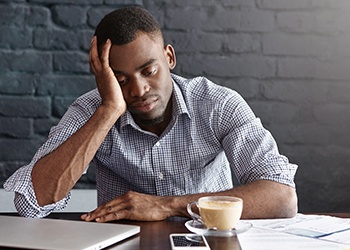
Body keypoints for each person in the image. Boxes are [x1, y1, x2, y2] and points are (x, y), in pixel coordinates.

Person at [4, 6, 298, 222]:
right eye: (121, 79)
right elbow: (31, 203)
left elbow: (282, 198)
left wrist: (168, 205)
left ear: (169, 57)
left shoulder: (217, 104)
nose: (139, 89)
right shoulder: (93, 111)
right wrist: (109, 110)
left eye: (149, 70)